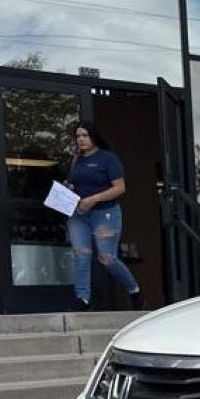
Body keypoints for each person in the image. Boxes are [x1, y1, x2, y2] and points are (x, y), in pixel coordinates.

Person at [64, 121, 144, 311]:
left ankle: (135, 291)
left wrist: (94, 199)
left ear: (93, 137)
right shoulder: (76, 160)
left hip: (105, 213)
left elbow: (120, 188)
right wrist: (67, 188)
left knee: (107, 258)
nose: (81, 139)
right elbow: (74, 183)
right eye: (78, 136)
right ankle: (82, 299)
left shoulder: (108, 159)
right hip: (79, 215)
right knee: (81, 255)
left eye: (85, 135)